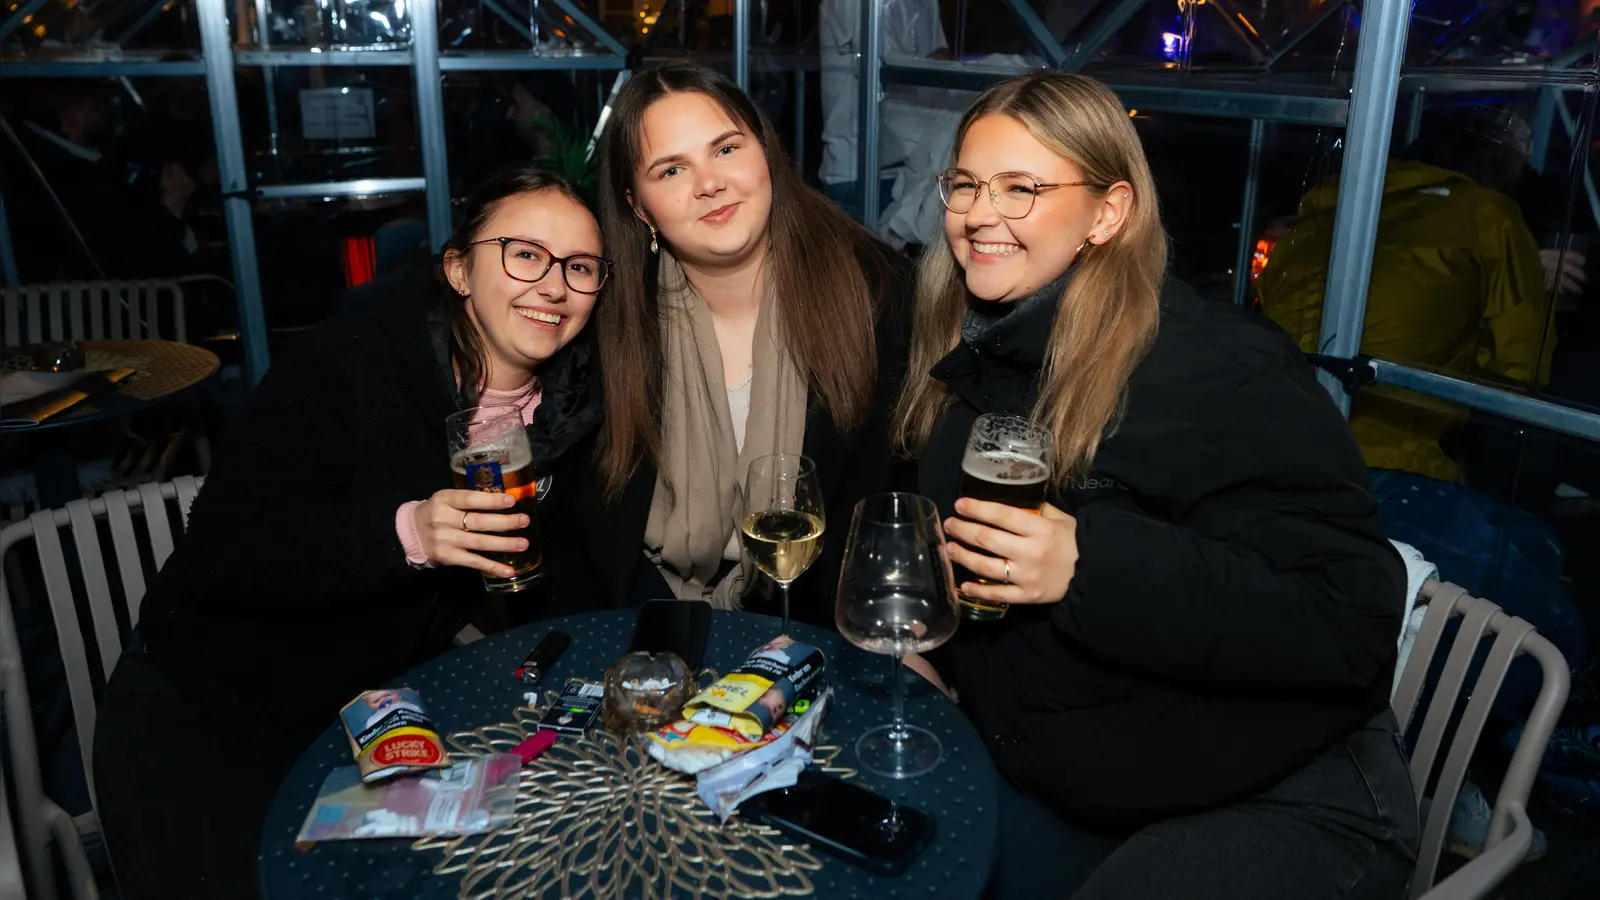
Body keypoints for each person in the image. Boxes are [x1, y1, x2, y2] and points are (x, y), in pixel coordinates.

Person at [895, 72, 1417, 898]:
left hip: (1279, 793)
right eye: (965, 183)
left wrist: (1088, 568)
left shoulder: (1218, 370)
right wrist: (928, 644)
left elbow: (1350, 626)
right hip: (1083, 779)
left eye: (1021, 187)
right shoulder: (980, 353)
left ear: (1109, 211)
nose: (977, 214)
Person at [92, 165, 606, 899]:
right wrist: (409, 532)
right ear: (459, 269)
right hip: (211, 712)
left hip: (370, 712)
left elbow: (567, 568)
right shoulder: (356, 360)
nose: (553, 285)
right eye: (524, 253)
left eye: (579, 267)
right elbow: (223, 550)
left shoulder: (570, 405)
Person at [546, 62, 908, 622]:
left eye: (726, 149)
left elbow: (898, 511)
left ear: (765, 153)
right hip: (647, 622)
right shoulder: (606, 327)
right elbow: (579, 537)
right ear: (640, 208)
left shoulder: (877, 297)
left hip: (830, 626)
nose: (708, 183)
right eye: (671, 170)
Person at [9, 80, 204, 281]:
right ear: (70, 117)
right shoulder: (64, 178)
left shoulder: (91, 165)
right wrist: (171, 206)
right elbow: (126, 262)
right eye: (95, 102)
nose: (106, 108)